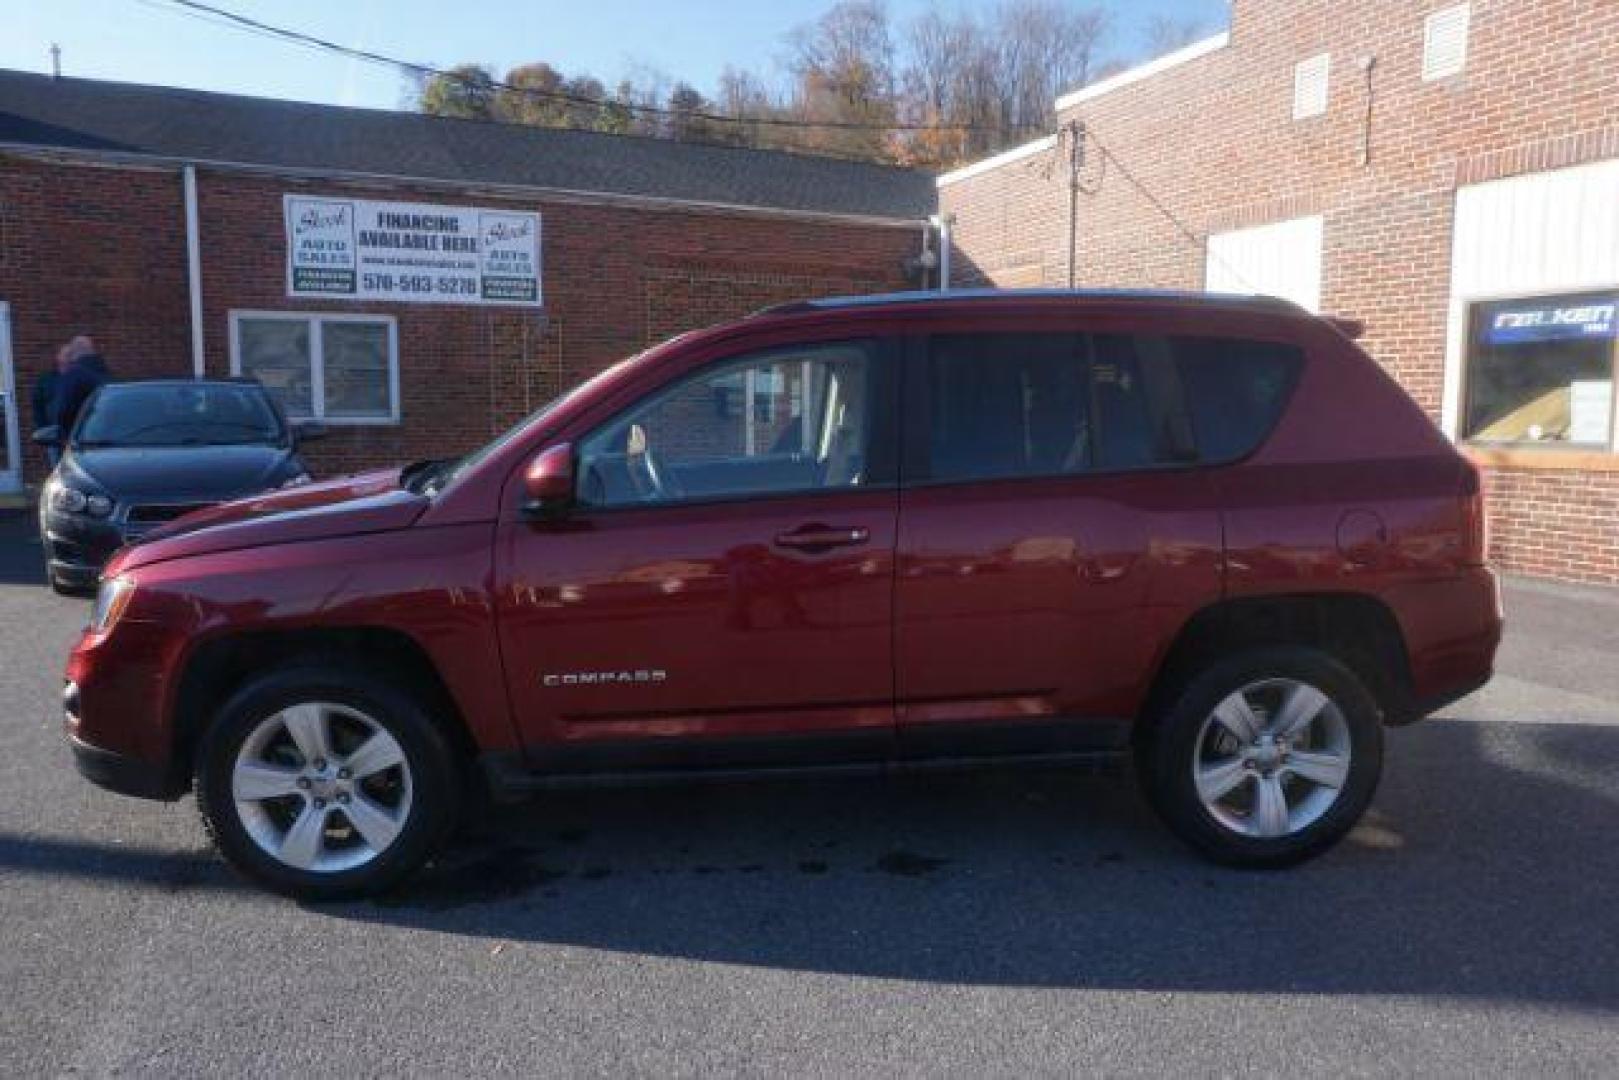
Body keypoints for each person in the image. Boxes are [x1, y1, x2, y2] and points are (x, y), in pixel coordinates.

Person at [51, 334, 111, 442]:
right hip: (107, 439)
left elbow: (63, 411)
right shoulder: (106, 373)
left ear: (73, 354)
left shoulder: (74, 375)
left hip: (81, 441)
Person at [31, 345, 69, 465]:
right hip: (53, 433)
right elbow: (38, 405)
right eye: (65, 355)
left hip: (74, 433)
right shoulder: (47, 380)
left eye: (71, 356)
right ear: (58, 357)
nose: (68, 359)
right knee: (57, 467)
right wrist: (43, 427)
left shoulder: (79, 377)